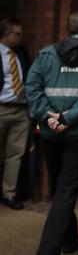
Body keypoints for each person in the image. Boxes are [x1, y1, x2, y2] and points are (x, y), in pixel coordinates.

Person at [25, 12, 78, 255]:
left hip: (50, 133)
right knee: (65, 190)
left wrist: (48, 117)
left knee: (60, 188)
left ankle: (70, 240)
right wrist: (67, 119)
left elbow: (32, 87)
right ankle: (48, 250)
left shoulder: (46, 54)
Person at [0, 19, 30, 210]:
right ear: (6, 34)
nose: (20, 38)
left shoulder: (21, 52)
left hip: (21, 110)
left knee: (15, 154)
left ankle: (8, 194)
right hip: (1, 108)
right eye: (17, 34)